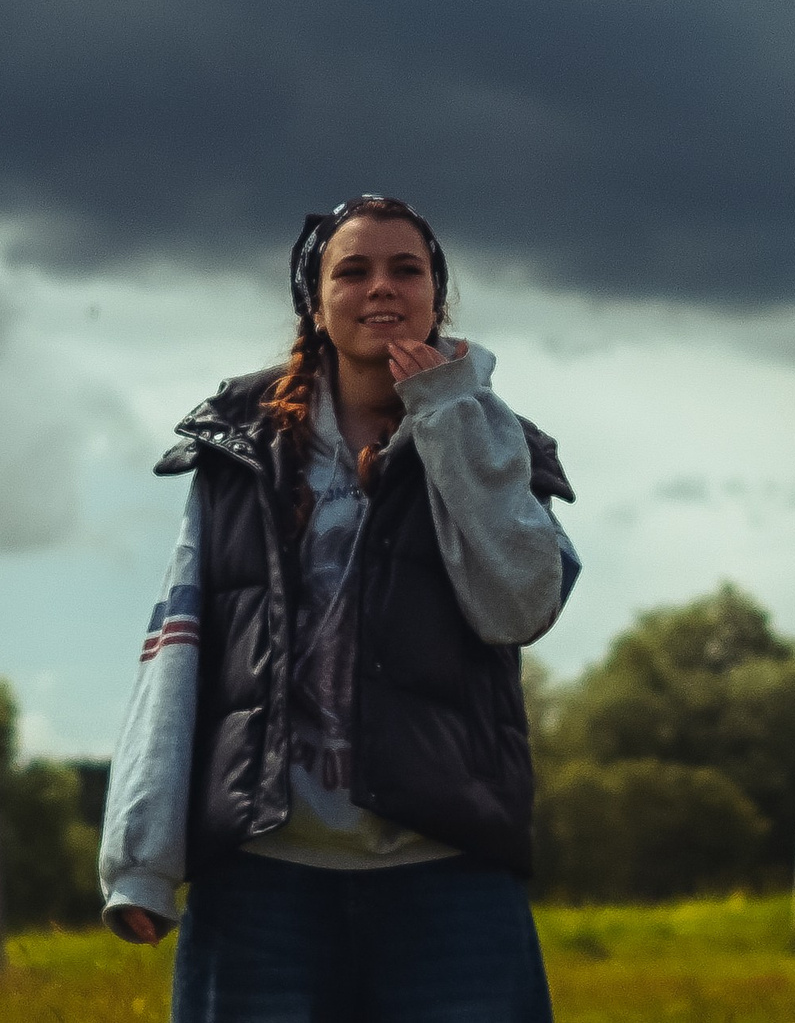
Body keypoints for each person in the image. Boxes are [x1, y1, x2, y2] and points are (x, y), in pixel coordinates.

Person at [99, 194, 580, 1022]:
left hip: (448, 874)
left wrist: (447, 414)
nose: (380, 288)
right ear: (315, 302)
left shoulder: (496, 440)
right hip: (261, 883)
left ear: (438, 295)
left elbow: (523, 604)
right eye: (351, 270)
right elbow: (178, 646)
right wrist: (142, 858)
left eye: (406, 268)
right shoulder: (239, 447)